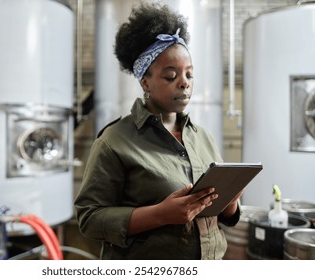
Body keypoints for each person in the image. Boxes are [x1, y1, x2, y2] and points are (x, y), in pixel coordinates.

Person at [74, 1, 241, 260]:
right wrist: (160, 214)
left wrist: (229, 202)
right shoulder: (115, 141)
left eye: (189, 75)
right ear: (145, 82)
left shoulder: (202, 138)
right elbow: (90, 218)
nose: (184, 83)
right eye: (171, 76)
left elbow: (219, 216)